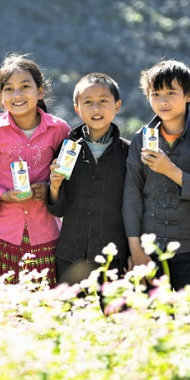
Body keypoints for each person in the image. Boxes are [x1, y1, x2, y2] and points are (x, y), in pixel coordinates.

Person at [123, 59, 190, 301]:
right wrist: (135, 251)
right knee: (153, 327)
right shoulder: (141, 139)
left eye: (170, 92)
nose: (162, 101)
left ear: (188, 95)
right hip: (149, 250)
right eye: (155, 94)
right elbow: (131, 196)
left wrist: (170, 170)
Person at [0, 53, 71, 286]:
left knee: (44, 305)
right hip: (0, 233)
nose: (16, 95)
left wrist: (49, 189)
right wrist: (5, 195)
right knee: (1, 308)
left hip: (46, 233)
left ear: (40, 92)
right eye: (8, 89)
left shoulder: (59, 130)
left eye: (25, 86)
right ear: (0, 97)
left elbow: (68, 178)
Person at [47, 73, 130, 303]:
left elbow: (134, 205)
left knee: (119, 320)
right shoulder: (67, 149)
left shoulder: (128, 153)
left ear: (117, 106)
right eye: (88, 102)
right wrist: (54, 186)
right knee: (70, 320)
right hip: (72, 253)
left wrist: (133, 252)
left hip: (114, 254)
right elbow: (58, 209)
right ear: (77, 108)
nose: (96, 108)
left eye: (103, 101)